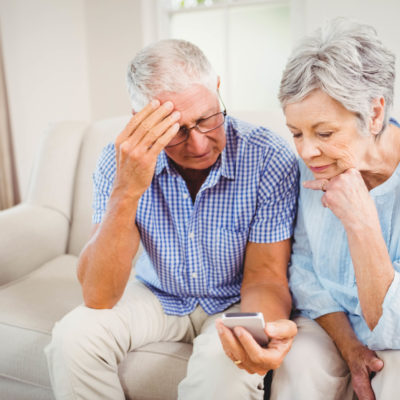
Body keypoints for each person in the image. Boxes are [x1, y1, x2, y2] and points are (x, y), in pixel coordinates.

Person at [45, 39, 298, 399]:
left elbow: (265, 277)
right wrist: (127, 191)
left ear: (218, 90)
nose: (197, 145)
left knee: (226, 368)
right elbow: (98, 295)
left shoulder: (269, 157)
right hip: (156, 292)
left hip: (236, 299)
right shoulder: (116, 162)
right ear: (140, 122)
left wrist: (254, 336)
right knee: (72, 337)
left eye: (207, 119)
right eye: (176, 130)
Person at [269, 18, 400, 400]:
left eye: (324, 133)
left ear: (374, 114)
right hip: (331, 322)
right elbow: (306, 271)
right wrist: (348, 346)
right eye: (296, 133)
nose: (307, 152)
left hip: (391, 325)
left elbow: (392, 329)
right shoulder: (309, 169)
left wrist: (361, 224)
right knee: (298, 364)